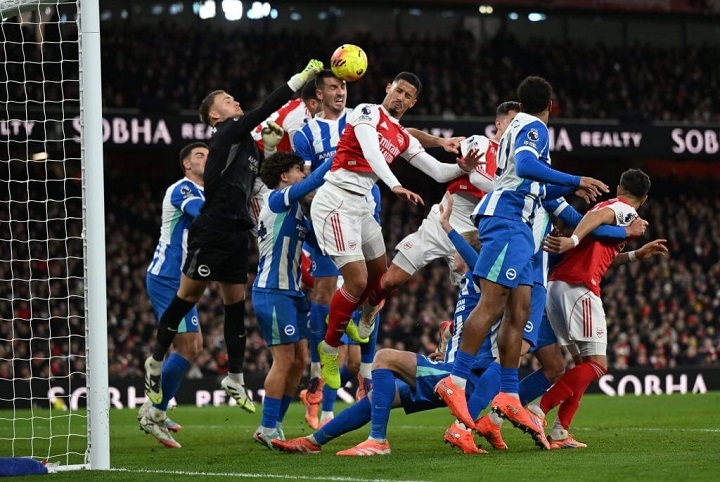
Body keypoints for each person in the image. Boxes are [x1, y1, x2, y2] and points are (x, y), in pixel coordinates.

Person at [142, 59, 325, 422]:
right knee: (187, 296)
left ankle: (235, 377)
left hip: (239, 230)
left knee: (234, 306)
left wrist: (268, 152)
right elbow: (265, 108)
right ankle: (156, 359)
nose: (234, 101)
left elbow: (259, 186)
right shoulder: (225, 133)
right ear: (215, 115)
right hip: (214, 226)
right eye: (226, 99)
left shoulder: (248, 148)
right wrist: (299, 80)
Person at [434, 75, 608, 450]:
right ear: (551, 104)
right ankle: (456, 381)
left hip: (521, 228)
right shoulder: (533, 127)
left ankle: (510, 394)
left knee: (520, 307)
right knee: (492, 302)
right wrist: (576, 178)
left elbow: (531, 180)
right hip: (508, 218)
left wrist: (573, 186)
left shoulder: (516, 126)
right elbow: (527, 168)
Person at [293, 70, 464, 428]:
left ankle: (365, 318)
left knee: (381, 277)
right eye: (398, 90)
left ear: (413, 102)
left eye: (408, 95)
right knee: (356, 280)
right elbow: (371, 152)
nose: (400, 97)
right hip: (336, 200)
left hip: (362, 208)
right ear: (388, 88)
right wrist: (395, 184)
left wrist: (462, 168)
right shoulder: (367, 112)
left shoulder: (402, 136)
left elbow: (436, 171)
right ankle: (329, 349)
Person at [271, 228, 490, 456]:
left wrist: (447, 228)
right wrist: (450, 346)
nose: (452, 256)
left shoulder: (481, 280)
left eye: (457, 251)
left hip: (461, 377)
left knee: (384, 358)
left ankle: (378, 440)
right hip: (452, 370)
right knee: (376, 399)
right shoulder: (470, 286)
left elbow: (480, 272)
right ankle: (312, 442)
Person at [529, 169, 667, 449]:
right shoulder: (624, 210)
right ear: (644, 198)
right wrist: (572, 240)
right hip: (579, 286)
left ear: (618, 187)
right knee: (597, 364)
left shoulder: (608, 207)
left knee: (583, 365)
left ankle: (560, 431)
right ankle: (538, 409)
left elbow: (602, 253)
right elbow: (597, 218)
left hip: (559, 285)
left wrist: (635, 255)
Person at [360, 101, 521, 323]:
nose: (516, 128)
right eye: (513, 122)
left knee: (482, 300)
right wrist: (515, 192)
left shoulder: (518, 163)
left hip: (476, 234)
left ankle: (451, 332)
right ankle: (369, 307)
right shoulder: (479, 142)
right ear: (499, 123)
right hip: (444, 219)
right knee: (391, 280)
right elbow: (478, 178)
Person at [251, 152, 332, 448]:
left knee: (299, 361)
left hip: (292, 293)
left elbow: (318, 243)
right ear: (284, 176)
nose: (303, 174)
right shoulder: (276, 198)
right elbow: (313, 180)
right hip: (272, 291)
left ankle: (275, 424)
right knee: (284, 360)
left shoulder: (297, 209)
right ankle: (266, 426)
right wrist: (338, 155)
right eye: (299, 169)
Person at [139, 142, 208, 448]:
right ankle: (153, 412)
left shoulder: (208, 192)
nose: (206, 159)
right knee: (189, 346)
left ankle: (156, 408)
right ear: (186, 164)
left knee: (194, 346)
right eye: (200, 155)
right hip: (167, 277)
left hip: (183, 279)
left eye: (209, 155)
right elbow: (201, 214)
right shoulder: (183, 189)